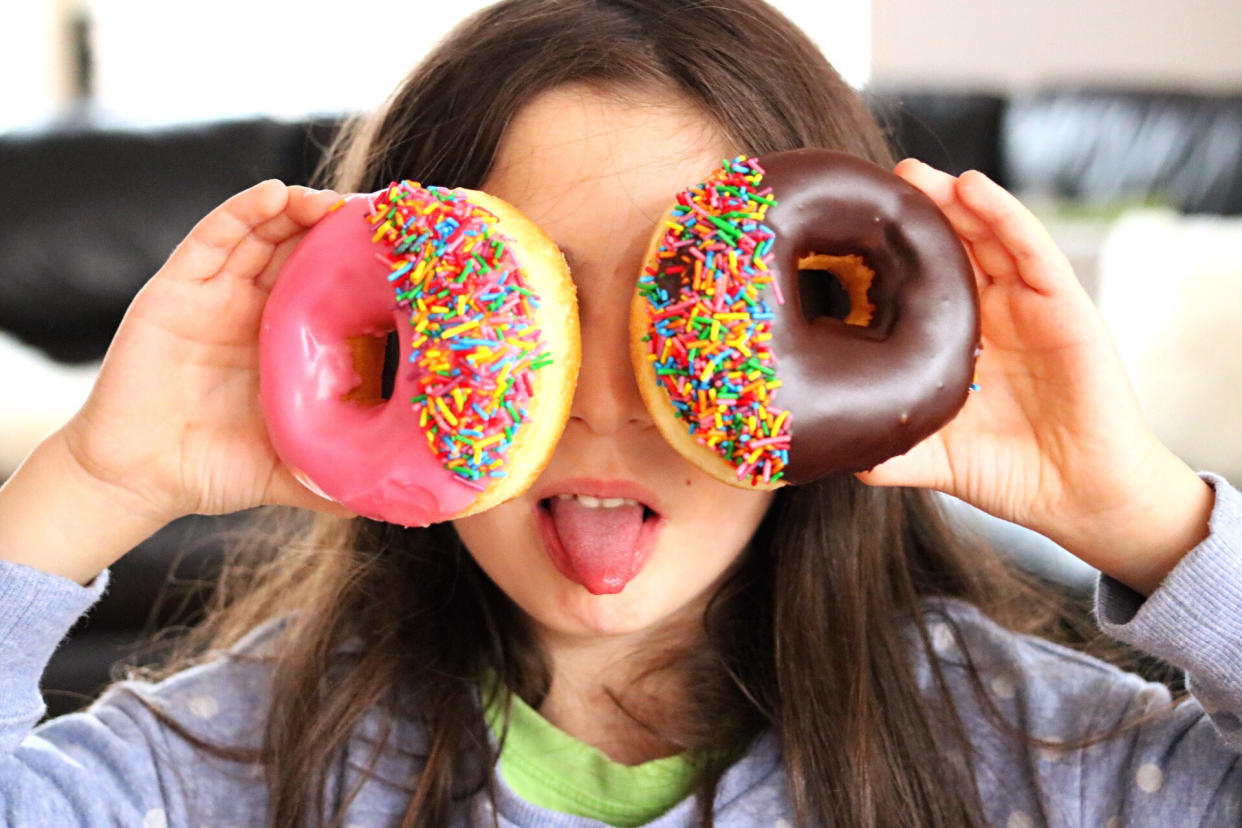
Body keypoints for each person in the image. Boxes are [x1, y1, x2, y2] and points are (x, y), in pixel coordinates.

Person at [0, 0, 1238, 825]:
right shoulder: (242, 759)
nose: (601, 405)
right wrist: (91, 489)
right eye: (525, 327)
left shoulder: (1027, 754)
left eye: (686, 329)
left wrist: (1142, 511)